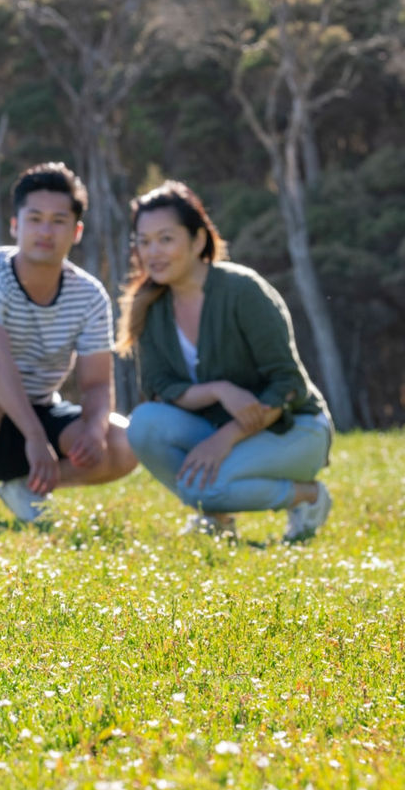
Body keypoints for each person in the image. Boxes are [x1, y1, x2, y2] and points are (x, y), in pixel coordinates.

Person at [117, 180, 333, 542]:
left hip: (294, 429)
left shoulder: (242, 290)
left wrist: (227, 438)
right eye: (144, 241)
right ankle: (217, 518)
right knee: (143, 424)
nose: (152, 252)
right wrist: (219, 391)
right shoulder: (150, 307)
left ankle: (309, 496)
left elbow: (288, 386)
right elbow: (161, 388)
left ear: (198, 240)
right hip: (218, 427)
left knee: (203, 489)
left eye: (166, 239)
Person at [0, 162, 136, 525]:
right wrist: (36, 438)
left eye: (58, 221)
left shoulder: (89, 295)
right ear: (15, 225)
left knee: (126, 441)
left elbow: (97, 384)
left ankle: (27, 487)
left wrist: (95, 428)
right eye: (35, 219)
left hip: (36, 410)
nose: (45, 231)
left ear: (77, 230)